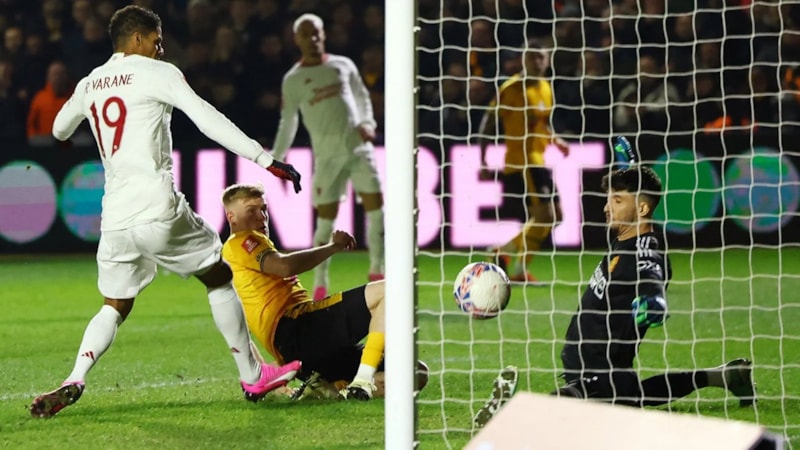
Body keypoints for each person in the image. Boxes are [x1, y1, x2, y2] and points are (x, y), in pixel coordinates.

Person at [29, 5, 304, 418]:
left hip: (116, 218)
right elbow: (207, 118)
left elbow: (58, 129)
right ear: (137, 39)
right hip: (157, 208)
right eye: (156, 41)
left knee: (114, 305)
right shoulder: (158, 72)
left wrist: (85, 114)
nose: (161, 49)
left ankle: (75, 376)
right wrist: (265, 159)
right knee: (219, 275)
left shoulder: (90, 83)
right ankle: (252, 376)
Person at [473, 166, 756, 428]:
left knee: (602, 400)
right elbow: (637, 209)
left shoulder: (644, 251)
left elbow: (651, 276)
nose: (607, 207)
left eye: (617, 200)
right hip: (585, 358)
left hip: (604, 365)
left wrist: (654, 301)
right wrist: (628, 164)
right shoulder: (624, 235)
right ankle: (724, 376)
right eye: (609, 199)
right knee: (629, 398)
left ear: (642, 208)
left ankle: (511, 417)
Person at [221, 183, 418, 401]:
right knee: (391, 290)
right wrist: (332, 247)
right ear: (232, 217)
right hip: (300, 329)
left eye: (264, 209)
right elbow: (285, 266)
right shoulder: (242, 242)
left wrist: (260, 374)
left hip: (307, 351)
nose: (261, 217)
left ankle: (330, 389)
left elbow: (234, 325)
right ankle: (362, 380)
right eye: (251, 210)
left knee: (416, 372)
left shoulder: (238, 262)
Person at [271, 13, 384, 301]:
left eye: (317, 33)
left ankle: (376, 270)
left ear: (324, 34)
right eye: (306, 35)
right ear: (296, 39)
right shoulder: (294, 80)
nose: (313, 39)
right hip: (327, 158)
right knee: (325, 223)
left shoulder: (342, 65)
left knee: (377, 211)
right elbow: (288, 121)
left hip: (358, 149)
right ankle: (321, 281)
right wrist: (277, 157)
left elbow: (361, 96)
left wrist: (368, 123)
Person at [478, 38, 570, 284]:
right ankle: (515, 266)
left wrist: (556, 140)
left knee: (556, 215)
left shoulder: (545, 88)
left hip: (539, 161)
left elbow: (543, 123)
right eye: (532, 57)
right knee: (544, 216)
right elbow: (488, 122)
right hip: (522, 163)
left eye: (541, 57)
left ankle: (506, 253)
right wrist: (483, 158)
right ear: (523, 60)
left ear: (548, 61)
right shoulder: (511, 88)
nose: (537, 62)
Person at [27, 61, 71, 145]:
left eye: (61, 74)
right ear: (48, 77)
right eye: (55, 74)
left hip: (70, 137)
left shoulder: (74, 96)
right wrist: (32, 135)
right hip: (45, 138)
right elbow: (31, 123)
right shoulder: (40, 97)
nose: (59, 77)